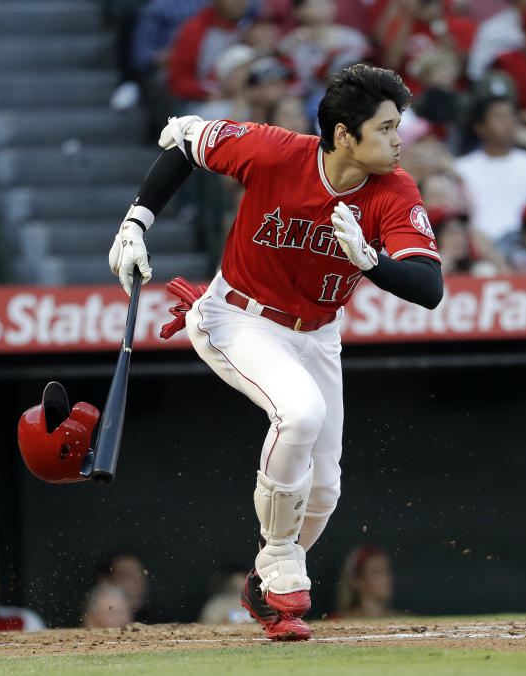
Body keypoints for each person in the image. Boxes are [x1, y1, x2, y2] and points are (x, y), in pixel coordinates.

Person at [107, 64, 443, 641]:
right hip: (236, 316)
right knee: (300, 413)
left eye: (397, 127)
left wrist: (372, 262)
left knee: (327, 488)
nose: (397, 140)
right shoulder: (275, 152)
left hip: (317, 332)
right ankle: (282, 559)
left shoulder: (394, 190)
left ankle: (263, 585)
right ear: (344, 134)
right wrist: (135, 224)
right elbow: (185, 143)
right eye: (386, 128)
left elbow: (429, 289)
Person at [454, 95, 526, 250]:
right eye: (499, 117)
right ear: (480, 127)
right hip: (479, 250)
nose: (508, 123)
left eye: (511, 116)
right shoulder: (461, 169)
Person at [93, 551, 169, 624]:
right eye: (127, 575)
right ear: (105, 581)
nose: (138, 582)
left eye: (142, 575)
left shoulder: (162, 619)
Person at [331, 545, 397, 619]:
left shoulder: (400, 619)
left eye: (386, 571)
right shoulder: (338, 622)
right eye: (376, 572)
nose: (386, 579)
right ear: (357, 581)